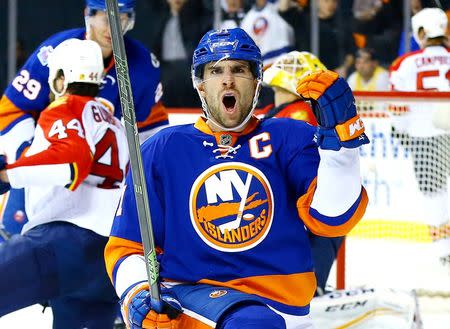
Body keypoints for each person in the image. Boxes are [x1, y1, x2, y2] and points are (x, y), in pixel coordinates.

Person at [105, 27, 369, 328]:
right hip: (191, 301)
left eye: (239, 69)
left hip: (284, 310)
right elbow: (127, 246)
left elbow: (334, 217)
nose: (228, 79)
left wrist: (342, 149)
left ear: (257, 82)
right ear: (201, 85)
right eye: (216, 70)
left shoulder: (290, 138)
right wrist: (135, 292)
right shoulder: (162, 149)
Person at [0, 0, 168, 238]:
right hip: (50, 168)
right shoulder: (55, 52)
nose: (113, 28)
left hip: (100, 188)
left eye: (120, 18)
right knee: (16, 241)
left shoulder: (142, 67)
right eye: (105, 18)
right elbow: (12, 109)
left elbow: (151, 130)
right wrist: (27, 157)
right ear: (88, 15)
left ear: (130, 20)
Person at [0, 39, 128, 329]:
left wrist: (7, 174)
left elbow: (72, 160)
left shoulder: (65, 108)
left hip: (62, 243)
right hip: (106, 260)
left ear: (60, 78)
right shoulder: (117, 125)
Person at [262, 50, 347, 295]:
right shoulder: (302, 111)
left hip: (272, 193)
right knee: (330, 226)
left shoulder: (272, 112)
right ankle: (312, 287)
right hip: (297, 192)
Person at [389, 7, 450, 266]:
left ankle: (443, 248)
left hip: (425, 137)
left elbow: (398, 108)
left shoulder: (406, 63)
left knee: (433, 193)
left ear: (422, 32)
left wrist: (400, 131)